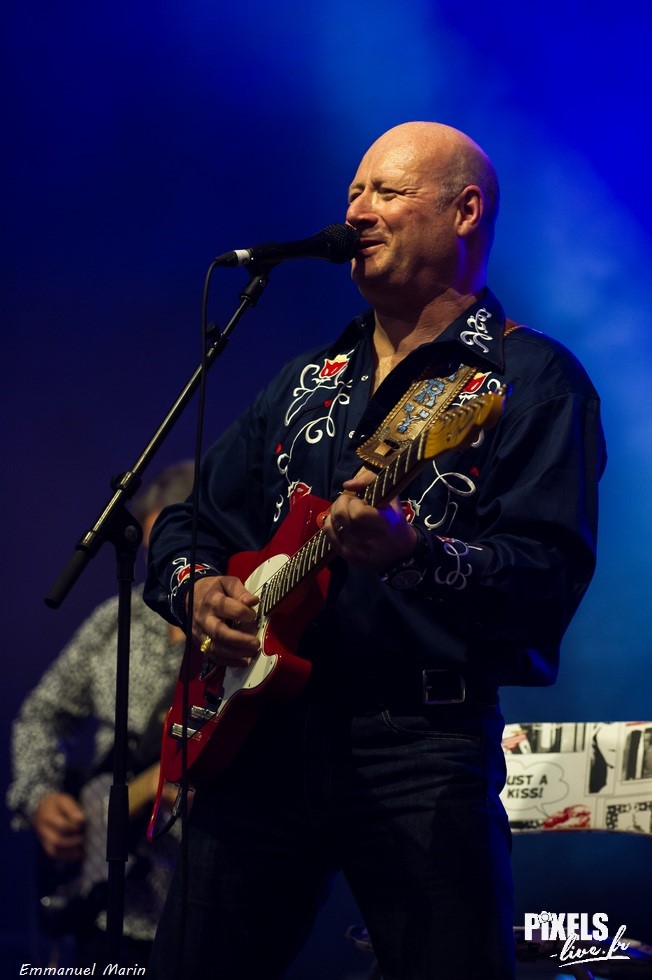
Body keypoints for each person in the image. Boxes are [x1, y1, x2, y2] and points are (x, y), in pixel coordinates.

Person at [143, 122, 606, 980]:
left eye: (387, 192)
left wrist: (409, 553)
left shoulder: (530, 381)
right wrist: (200, 589)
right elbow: (186, 523)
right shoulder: (306, 381)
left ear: (465, 212)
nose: (357, 211)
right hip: (262, 738)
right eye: (354, 192)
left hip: (419, 749)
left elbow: (543, 580)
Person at [7, 461, 195, 968]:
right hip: (106, 908)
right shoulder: (116, 619)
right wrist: (40, 797)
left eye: (183, 544)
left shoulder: (245, 628)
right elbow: (41, 714)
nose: (169, 562)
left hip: (199, 911)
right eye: (159, 546)